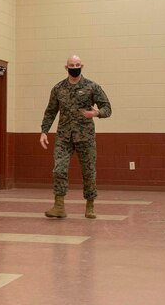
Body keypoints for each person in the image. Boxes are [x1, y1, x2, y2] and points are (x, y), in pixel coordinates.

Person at [39, 55, 111, 219]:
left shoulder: (92, 87)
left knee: (89, 172)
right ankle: (59, 206)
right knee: (59, 169)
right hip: (64, 137)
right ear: (66, 68)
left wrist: (96, 113)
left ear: (82, 66)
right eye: (71, 65)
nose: (75, 67)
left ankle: (90, 205)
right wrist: (44, 131)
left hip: (85, 137)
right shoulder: (58, 88)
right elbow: (50, 111)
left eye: (77, 65)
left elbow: (107, 108)